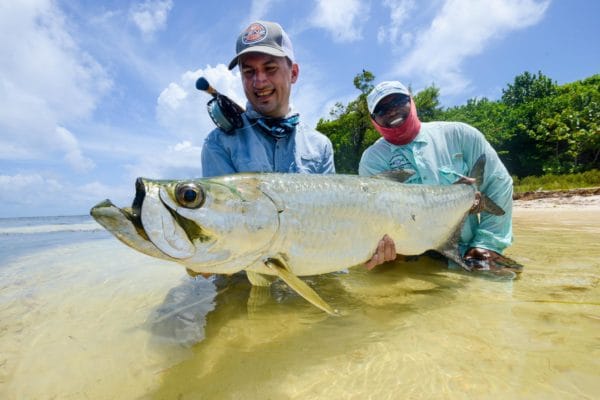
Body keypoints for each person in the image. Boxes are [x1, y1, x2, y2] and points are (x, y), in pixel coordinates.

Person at [360, 81, 514, 271]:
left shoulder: (460, 134)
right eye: (382, 110)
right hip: (409, 259)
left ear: (411, 100)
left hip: (469, 249)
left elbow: (499, 183)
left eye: (398, 102)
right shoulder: (372, 159)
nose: (392, 111)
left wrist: (487, 244)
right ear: (374, 120)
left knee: (499, 287)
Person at [201, 20, 335, 177]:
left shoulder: (320, 146)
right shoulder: (218, 143)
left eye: (270, 68)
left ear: (293, 73)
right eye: (249, 71)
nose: (259, 82)